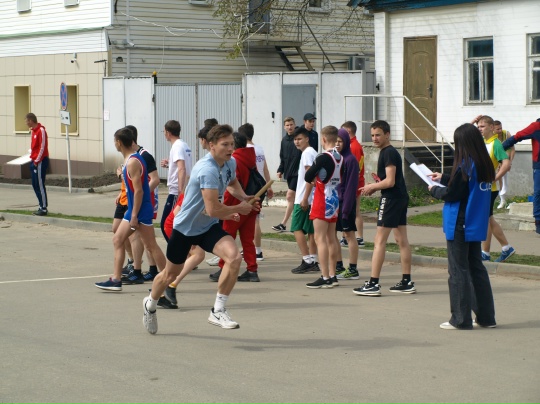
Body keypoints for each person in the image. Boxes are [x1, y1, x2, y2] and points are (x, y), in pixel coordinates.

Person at [142, 124, 259, 333]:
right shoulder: (207, 169)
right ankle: (150, 304)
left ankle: (218, 310)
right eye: (225, 145)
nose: (230, 148)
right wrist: (238, 208)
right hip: (185, 228)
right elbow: (213, 209)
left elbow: (232, 182)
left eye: (231, 144)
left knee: (234, 257)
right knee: (169, 275)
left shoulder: (230, 163)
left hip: (207, 226)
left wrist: (244, 196)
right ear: (211, 146)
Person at [428, 123, 497, 330]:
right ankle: (486, 318)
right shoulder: (484, 163)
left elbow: (453, 193)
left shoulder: (466, 164)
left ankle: (460, 319)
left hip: (460, 222)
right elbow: (465, 185)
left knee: (458, 270)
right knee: (476, 268)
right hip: (475, 222)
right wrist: (444, 177)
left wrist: (434, 190)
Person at [95, 128, 166, 292]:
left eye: (115, 141)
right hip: (134, 208)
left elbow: (139, 191)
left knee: (151, 246)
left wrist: (134, 215)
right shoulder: (130, 159)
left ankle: (168, 281)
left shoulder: (133, 161)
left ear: (119, 142)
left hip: (140, 210)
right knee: (118, 239)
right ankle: (116, 280)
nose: (114, 144)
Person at [354, 120, 415, 296]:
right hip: (399, 198)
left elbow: (390, 181)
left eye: (378, 135)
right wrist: (376, 185)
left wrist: (373, 186)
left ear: (387, 135)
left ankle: (373, 284)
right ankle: (406, 281)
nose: (375, 138)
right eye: (372, 135)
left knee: (379, 241)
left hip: (391, 199)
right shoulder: (389, 152)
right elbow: (389, 181)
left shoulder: (388, 153)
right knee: (401, 240)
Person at [211, 132, 261, 282]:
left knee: (227, 236)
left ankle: (223, 268)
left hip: (235, 204)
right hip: (250, 202)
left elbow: (232, 185)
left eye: (230, 143)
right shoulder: (251, 157)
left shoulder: (234, 161)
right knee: (247, 239)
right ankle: (252, 270)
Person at [120, 125, 161, 283]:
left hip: (146, 201)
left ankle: (149, 271)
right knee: (139, 238)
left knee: (145, 239)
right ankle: (146, 270)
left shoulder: (144, 156)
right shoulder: (131, 157)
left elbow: (155, 179)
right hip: (137, 201)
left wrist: (142, 195)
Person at [472, 115, 516, 262]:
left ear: (491, 127)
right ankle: (505, 248)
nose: (479, 129)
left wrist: (495, 178)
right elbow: (463, 134)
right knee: (489, 219)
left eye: (482, 126)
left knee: (485, 219)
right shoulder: (483, 141)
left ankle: (486, 252)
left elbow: (506, 163)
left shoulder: (496, 144)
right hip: (482, 187)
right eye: (478, 127)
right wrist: (473, 122)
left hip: (489, 189)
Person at [304, 126, 342, 289]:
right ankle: (333, 275)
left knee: (320, 239)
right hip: (334, 197)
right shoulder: (339, 157)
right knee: (331, 238)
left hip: (322, 198)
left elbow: (308, 175)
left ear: (324, 139)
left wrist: (314, 177)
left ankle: (325, 276)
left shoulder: (323, 157)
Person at [239, 123, 274, 261]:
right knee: (256, 219)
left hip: (250, 187)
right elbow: (265, 169)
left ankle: (256, 251)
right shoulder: (259, 149)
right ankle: (255, 250)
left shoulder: (245, 149)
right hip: (261, 186)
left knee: (251, 221)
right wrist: (268, 185)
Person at [502, 118, 540, 234]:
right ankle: (538, 222)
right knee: (539, 193)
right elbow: (517, 136)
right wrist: (499, 150)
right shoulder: (536, 126)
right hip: (539, 166)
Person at [290, 127, 319, 274]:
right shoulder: (313, 152)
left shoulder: (307, 154)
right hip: (312, 198)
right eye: (295, 139)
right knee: (311, 231)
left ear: (307, 139)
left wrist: (305, 198)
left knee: (296, 228)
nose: (297, 142)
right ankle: (313, 260)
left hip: (304, 198)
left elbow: (310, 177)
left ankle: (307, 260)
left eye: (299, 139)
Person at [160, 120, 192, 241]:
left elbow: (182, 169)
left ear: (168, 133)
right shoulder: (184, 145)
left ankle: (176, 250)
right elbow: (181, 166)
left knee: (166, 225)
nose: (164, 134)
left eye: (164, 131)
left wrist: (180, 191)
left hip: (176, 192)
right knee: (175, 224)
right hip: (182, 189)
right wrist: (169, 164)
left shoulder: (177, 146)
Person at [335, 128, 360, 280]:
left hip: (346, 204)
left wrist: (346, 209)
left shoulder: (350, 160)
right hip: (335, 204)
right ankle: (338, 266)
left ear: (345, 141)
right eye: (335, 141)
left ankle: (353, 269)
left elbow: (351, 186)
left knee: (349, 235)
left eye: (340, 141)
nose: (337, 144)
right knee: (332, 234)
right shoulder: (335, 158)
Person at [273, 117, 301, 232]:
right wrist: (280, 170)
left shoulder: (298, 139)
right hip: (289, 174)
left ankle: (283, 223)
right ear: (284, 127)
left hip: (298, 173)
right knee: (296, 199)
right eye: (287, 125)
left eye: (291, 124)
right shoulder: (284, 140)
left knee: (289, 196)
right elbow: (283, 158)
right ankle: (298, 224)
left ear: (295, 125)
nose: (290, 127)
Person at [340, 121, 365, 247]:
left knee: (355, 210)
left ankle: (359, 237)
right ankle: (345, 236)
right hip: (355, 182)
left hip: (355, 183)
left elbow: (353, 168)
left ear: (348, 131)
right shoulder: (353, 145)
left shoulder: (353, 146)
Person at [26, 113, 49, 216]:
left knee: (40, 184)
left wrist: (36, 161)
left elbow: (42, 147)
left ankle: (44, 208)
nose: (26, 123)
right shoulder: (33, 131)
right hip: (34, 160)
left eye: (27, 121)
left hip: (40, 161)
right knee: (34, 184)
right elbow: (34, 147)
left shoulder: (41, 130)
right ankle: (40, 205)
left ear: (31, 120)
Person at [493, 120, 514, 209]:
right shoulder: (492, 137)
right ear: (493, 129)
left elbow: (512, 149)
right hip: (496, 158)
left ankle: (503, 199)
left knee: (503, 178)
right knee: (499, 179)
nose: (500, 130)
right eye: (497, 129)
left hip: (506, 156)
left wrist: (510, 162)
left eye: (501, 128)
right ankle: (502, 199)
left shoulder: (506, 134)